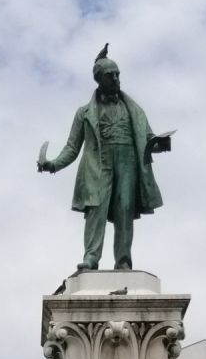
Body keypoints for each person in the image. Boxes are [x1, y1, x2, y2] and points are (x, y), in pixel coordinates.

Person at [37, 45, 169, 271]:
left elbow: (147, 139)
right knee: (96, 210)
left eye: (118, 74)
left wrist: (159, 144)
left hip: (127, 161)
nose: (116, 78)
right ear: (99, 79)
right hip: (99, 164)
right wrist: (53, 164)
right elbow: (72, 147)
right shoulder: (84, 113)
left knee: (125, 209)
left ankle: (124, 260)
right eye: (111, 75)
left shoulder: (134, 110)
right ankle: (91, 257)